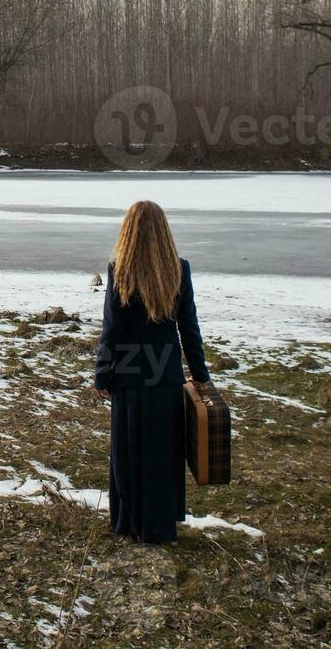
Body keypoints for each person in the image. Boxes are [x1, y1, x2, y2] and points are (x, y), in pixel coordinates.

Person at [93, 200, 212, 543]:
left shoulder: (120, 270)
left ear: (128, 232)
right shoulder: (179, 269)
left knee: (129, 452)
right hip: (166, 375)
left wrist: (103, 374)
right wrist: (200, 375)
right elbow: (189, 328)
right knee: (162, 452)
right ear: (164, 232)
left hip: (129, 375)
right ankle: (160, 526)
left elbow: (112, 330)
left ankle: (129, 523)